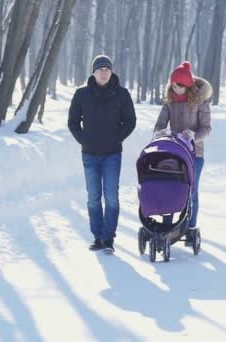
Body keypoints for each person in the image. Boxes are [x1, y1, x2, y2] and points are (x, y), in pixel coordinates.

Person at [68, 55, 137, 254]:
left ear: (112, 71)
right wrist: (83, 139)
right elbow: (72, 121)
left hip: (112, 154)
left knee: (112, 197)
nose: (104, 72)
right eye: (100, 69)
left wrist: (117, 138)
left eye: (107, 69)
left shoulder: (122, 94)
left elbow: (130, 121)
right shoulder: (82, 94)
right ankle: (98, 236)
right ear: (93, 72)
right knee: (93, 197)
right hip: (89, 154)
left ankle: (108, 238)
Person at [153, 61, 212, 244]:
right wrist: (159, 132)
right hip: (174, 151)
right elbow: (160, 124)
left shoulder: (200, 102)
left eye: (179, 86)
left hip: (195, 153)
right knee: (171, 189)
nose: (176, 89)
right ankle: (168, 226)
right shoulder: (169, 102)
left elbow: (207, 128)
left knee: (191, 191)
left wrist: (194, 136)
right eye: (173, 85)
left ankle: (190, 226)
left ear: (187, 86)